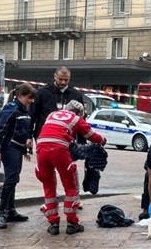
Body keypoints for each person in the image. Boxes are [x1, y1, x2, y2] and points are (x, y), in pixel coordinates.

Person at [35, 100, 106, 235]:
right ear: (79, 112)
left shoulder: (52, 115)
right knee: (70, 185)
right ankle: (72, 223)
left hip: (41, 147)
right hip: (59, 148)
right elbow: (91, 135)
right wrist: (103, 140)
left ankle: (53, 223)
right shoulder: (77, 118)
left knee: (48, 184)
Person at [0, 83, 36, 229]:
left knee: (14, 178)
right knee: (10, 179)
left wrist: (25, 150)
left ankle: (10, 211)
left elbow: (23, 130)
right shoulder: (11, 109)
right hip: (9, 148)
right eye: (29, 98)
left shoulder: (25, 110)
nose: (32, 101)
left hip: (17, 148)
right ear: (20, 96)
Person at [31, 66, 86, 139]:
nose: (63, 82)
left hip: (66, 137)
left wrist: (82, 141)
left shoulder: (76, 94)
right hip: (44, 135)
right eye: (60, 79)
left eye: (66, 80)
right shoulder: (42, 92)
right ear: (55, 76)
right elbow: (32, 114)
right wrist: (29, 136)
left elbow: (81, 120)